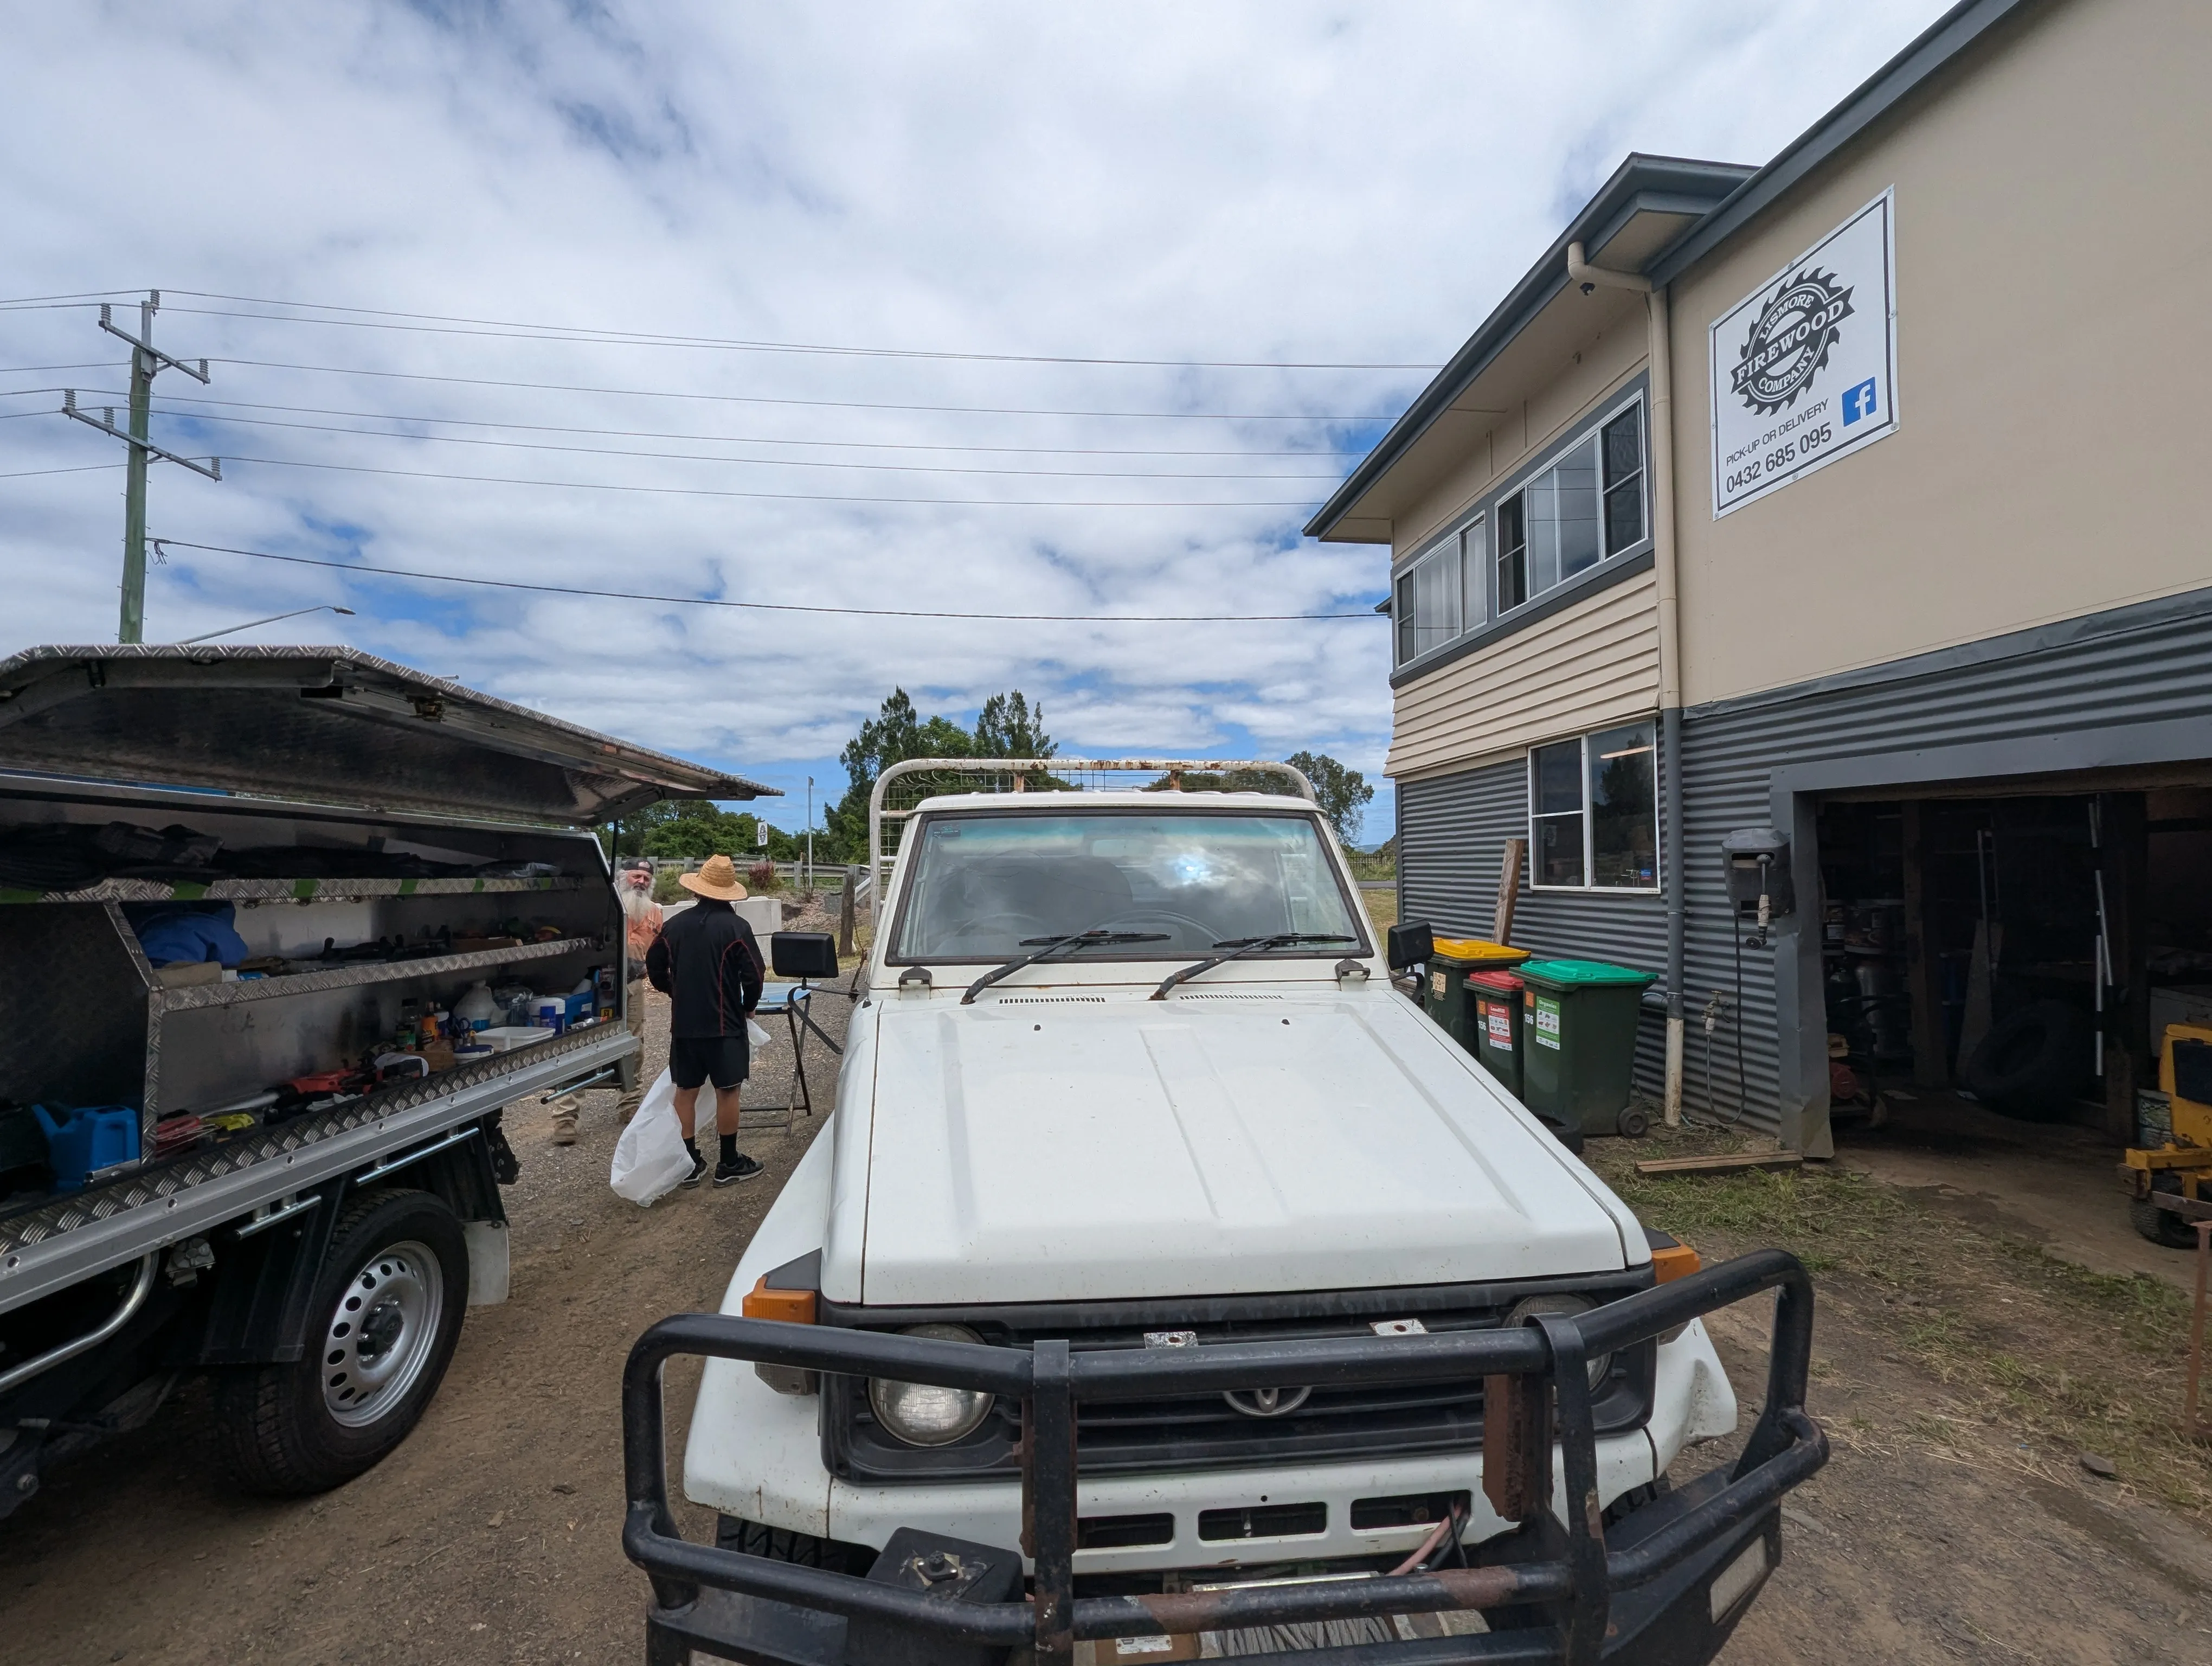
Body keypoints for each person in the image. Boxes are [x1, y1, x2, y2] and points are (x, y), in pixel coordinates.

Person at [645, 853, 767, 1187]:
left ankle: (689, 1163)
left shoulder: (674, 925)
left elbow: (654, 963)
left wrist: (672, 990)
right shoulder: (737, 927)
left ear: (698, 889)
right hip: (725, 1024)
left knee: (686, 1091)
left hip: (684, 1025)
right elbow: (755, 974)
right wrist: (749, 1005)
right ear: (729, 894)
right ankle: (728, 1162)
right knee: (728, 1091)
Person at [550, 857, 664, 1145]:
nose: (641, 882)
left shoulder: (655, 913)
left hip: (633, 985)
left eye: (646, 878)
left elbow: (661, 948)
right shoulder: (601, 905)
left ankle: (630, 1105)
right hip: (593, 984)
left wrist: (651, 968)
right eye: (636, 876)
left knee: (634, 1044)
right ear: (624, 877)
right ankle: (566, 1117)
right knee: (580, 1043)